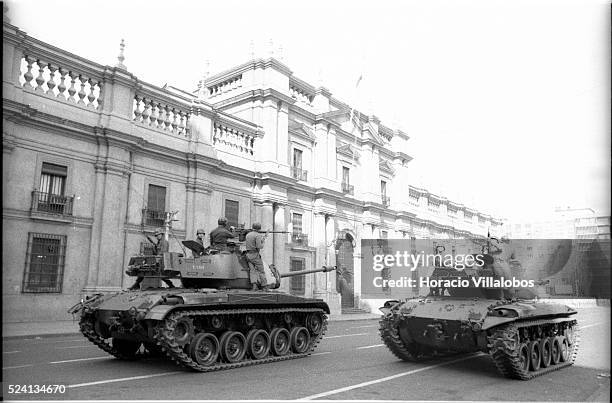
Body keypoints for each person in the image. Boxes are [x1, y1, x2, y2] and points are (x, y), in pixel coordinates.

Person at [244, 222, 269, 291]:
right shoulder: (258, 235)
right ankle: (264, 286)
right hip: (255, 255)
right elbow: (259, 246)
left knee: (252, 271)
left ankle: (254, 286)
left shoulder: (248, 235)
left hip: (248, 255)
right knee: (261, 271)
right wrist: (263, 241)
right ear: (259, 228)